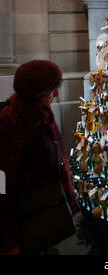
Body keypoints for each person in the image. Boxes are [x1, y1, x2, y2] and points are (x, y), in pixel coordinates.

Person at [0, 60, 80, 255]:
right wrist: (9, 241)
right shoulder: (10, 121)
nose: (56, 95)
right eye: (51, 90)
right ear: (35, 92)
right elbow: (4, 182)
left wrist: (69, 192)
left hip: (48, 210)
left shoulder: (44, 113)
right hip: (25, 219)